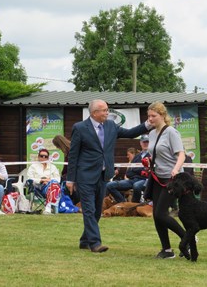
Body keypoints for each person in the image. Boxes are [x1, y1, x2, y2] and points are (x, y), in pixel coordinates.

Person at [66, 99, 151, 253]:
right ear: (94, 113)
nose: (107, 113)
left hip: (103, 175)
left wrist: (148, 125)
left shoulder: (111, 125)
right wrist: (70, 179)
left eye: (107, 110)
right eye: (104, 110)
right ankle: (95, 243)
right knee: (89, 210)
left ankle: (85, 240)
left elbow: (130, 133)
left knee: (98, 210)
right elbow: (73, 155)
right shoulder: (79, 128)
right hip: (84, 175)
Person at [146, 101, 186, 259]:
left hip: (173, 179)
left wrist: (175, 169)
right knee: (156, 215)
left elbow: (181, 154)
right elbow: (155, 152)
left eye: (153, 116)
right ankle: (167, 250)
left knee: (162, 214)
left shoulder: (171, 132)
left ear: (162, 116)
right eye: (148, 116)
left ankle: (187, 238)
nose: (150, 119)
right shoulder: (151, 133)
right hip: (157, 177)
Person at [106, 135, 151, 203]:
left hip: (145, 180)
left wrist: (135, 170)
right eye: (144, 142)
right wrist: (141, 170)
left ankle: (134, 205)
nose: (145, 144)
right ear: (140, 143)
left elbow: (148, 172)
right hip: (132, 180)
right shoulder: (137, 156)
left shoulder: (152, 155)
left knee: (136, 186)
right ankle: (123, 203)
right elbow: (128, 173)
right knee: (109, 185)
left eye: (147, 142)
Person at [27, 148, 61, 213]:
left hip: (51, 186)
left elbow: (58, 179)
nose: (43, 158)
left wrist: (49, 181)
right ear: (38, 156)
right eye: (41, 156)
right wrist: (41, 180)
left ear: (48, 158)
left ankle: (48, 207)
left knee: (54, 185)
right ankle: (50, 207)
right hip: (38, 187)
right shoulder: (33, 166)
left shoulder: (53, 167)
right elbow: (29, 178)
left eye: (46, 156)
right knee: (54, 186)